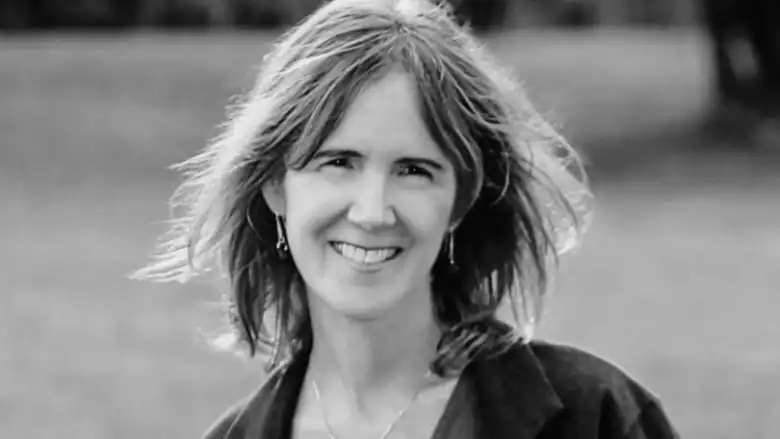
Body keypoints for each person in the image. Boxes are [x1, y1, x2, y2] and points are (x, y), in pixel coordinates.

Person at [134, 0, 680, 438]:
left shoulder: (597, 416)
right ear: (276, 185)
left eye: (414, 170)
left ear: (460, 200)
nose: (372, 212)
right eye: (339, 163)